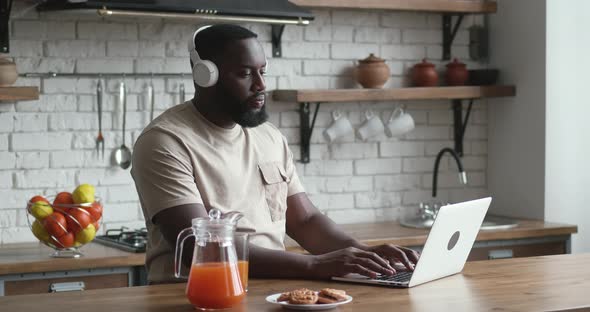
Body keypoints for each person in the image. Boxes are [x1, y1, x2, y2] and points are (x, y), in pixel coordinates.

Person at [131, 24, 419, 284]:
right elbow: (202, 247)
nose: (261, 85)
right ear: (205, 76)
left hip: (270, 292)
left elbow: (304, 221)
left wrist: (364, 254)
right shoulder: (165, 141)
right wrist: (314, 265)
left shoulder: (268, 136)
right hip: (192, 298)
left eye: (262, 71)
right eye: (245, 73)